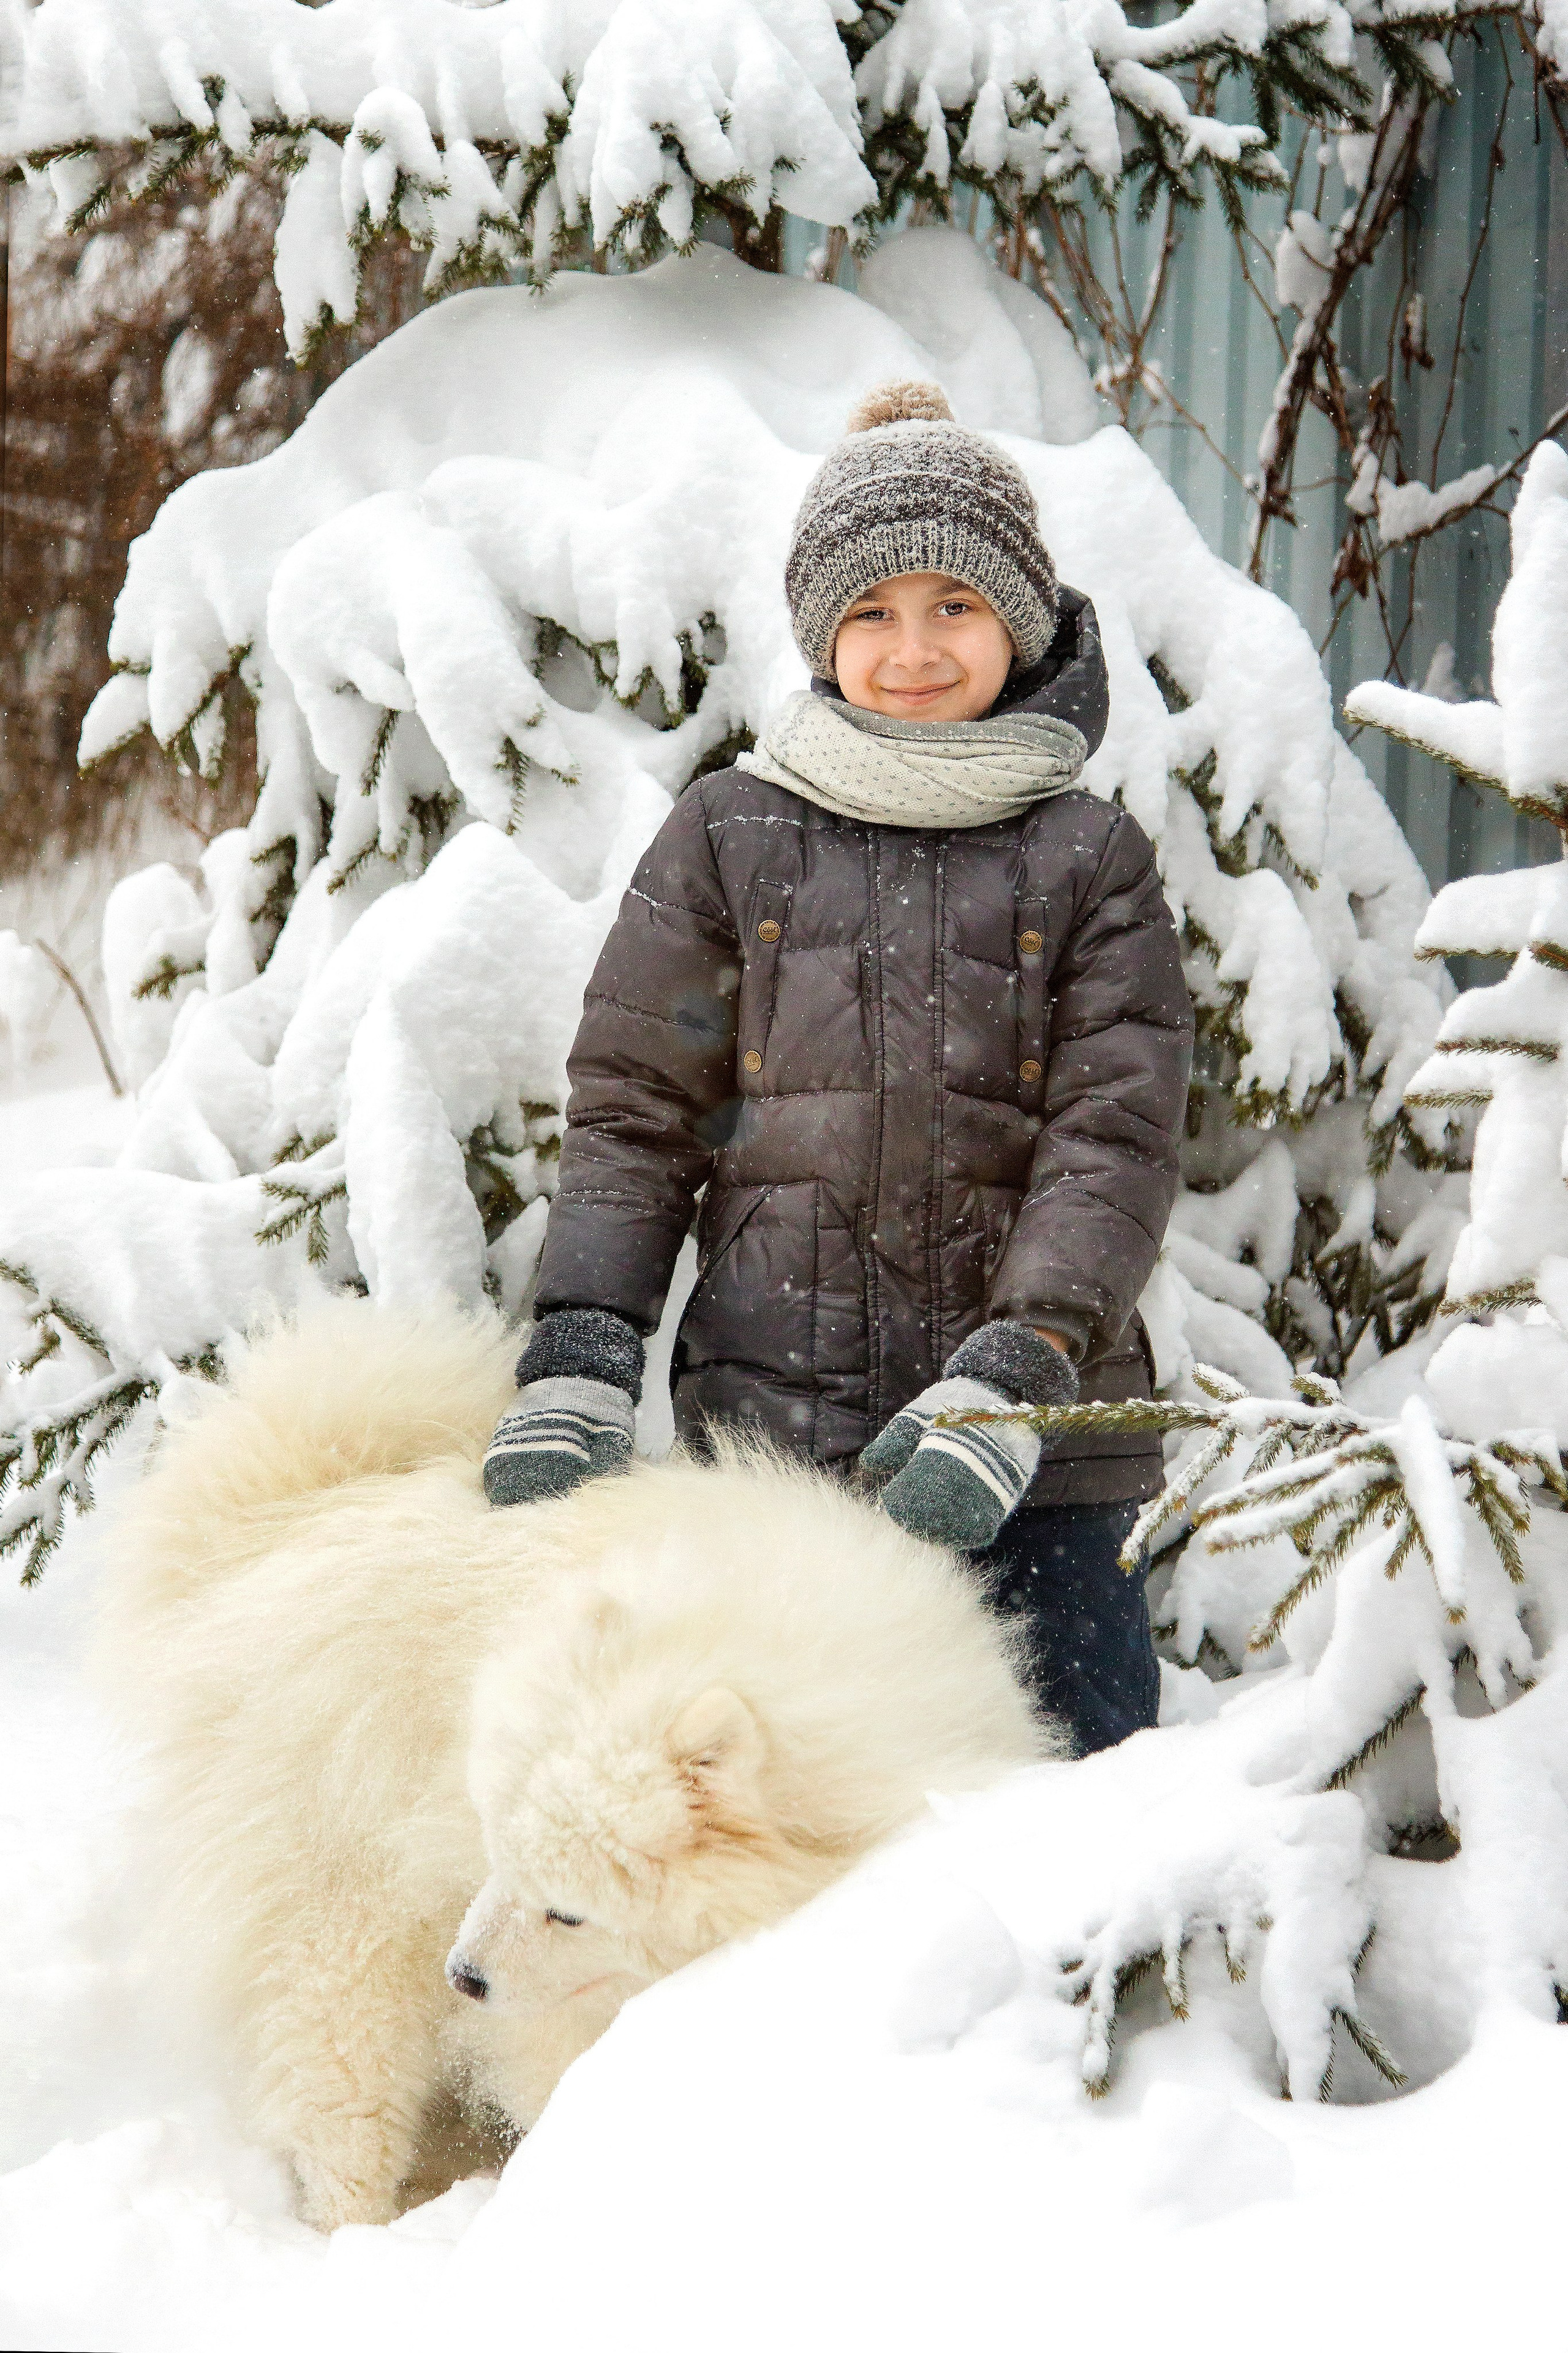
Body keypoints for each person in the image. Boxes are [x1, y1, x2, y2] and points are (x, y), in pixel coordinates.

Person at [483, 380, 1194, 1754]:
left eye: (954, 607)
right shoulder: (730, 837)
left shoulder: (1088, 857)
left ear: (1020, 623)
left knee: (1070, 1824)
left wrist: (1016, 1369)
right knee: (793, 1844)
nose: (911, 649)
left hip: (1040, 1465)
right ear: (819, 632)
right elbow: (637, 1111)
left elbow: (1113, 1140)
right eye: (870, 611)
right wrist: (582, 1343)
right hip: (778, 1450)